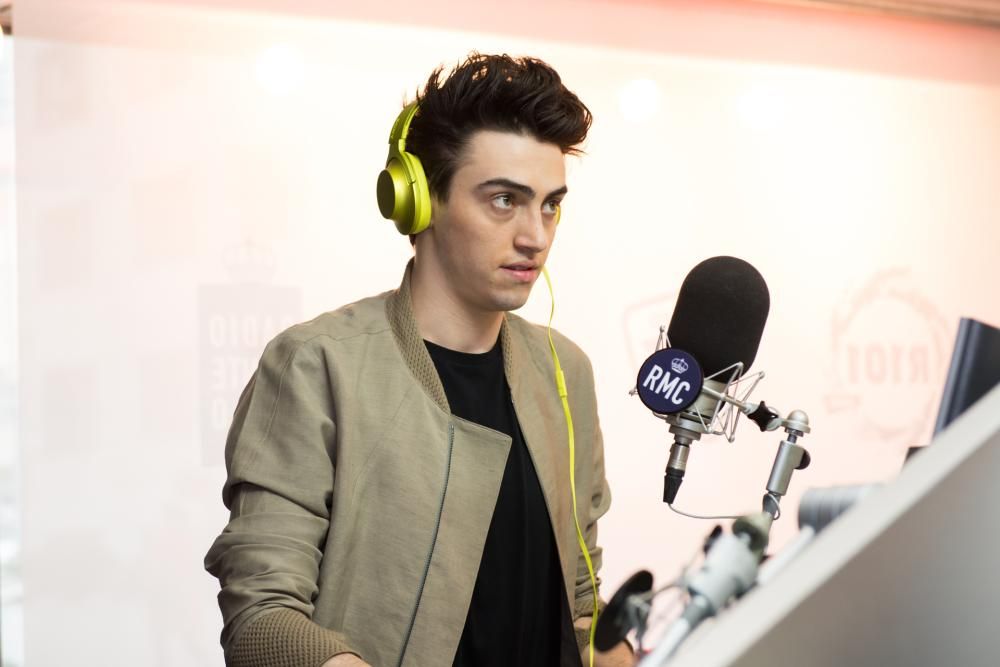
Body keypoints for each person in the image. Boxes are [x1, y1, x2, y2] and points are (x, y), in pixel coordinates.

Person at [205, 52, 633, 667]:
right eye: (504, 200)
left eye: (549, 204)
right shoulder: (315, 366)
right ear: (420, 200)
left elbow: (580, 600)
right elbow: (261, 618)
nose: (536, 236)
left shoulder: (566, 371)